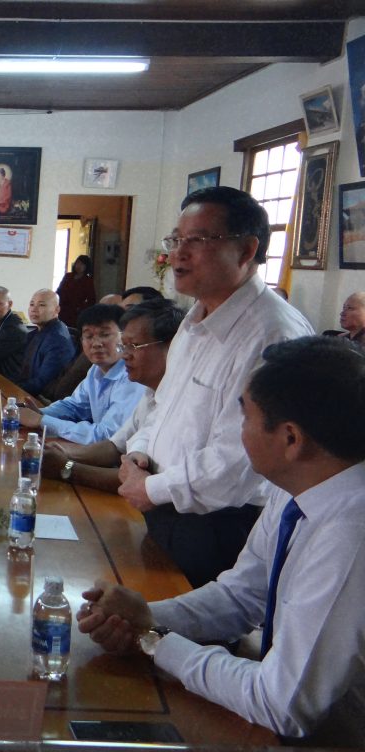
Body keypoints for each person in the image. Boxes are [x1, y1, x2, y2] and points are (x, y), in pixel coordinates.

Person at [78, 337, 365, 745]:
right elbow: (241, 596)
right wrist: (141, 617)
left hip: (341, 742)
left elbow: (280, 703)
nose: (237, 433)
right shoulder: (296, 488)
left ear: (290, 439)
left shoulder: (349, 533)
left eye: (244, 417)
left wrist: (155, 641)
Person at [119, 186, 313, 587]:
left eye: (197, 240)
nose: (178, 254)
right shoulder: (193, 322)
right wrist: (138, 453)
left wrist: (152, 487)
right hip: (161, 502)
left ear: (246, 251)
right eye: (176, 240)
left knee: (184, 619)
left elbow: (239, 461)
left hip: (216, 526)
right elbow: (162, 407)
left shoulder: (272, 335)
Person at [41, 299, 184, 491]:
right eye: (124, 346)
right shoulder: (150, 392)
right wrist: (65, 452)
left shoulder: (182, 401)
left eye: (134, 346)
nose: (125, 355)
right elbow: (115, 446)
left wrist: (66, 467)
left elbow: (137, 478)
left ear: (172, 346)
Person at [20, 303, 145, 445]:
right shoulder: (96, 370)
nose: (96, 343)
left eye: (105, 335)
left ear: (124, 338)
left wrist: (41, 420)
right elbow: (74, 406)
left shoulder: (132, 377)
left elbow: (106, 436)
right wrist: (41, 413)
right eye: (89, 336)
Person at [17, 289, 76, 396]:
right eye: (32, 304)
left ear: (56, 310)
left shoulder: (57, 340)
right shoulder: (34, 334)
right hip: (27, 390)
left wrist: (12, 388)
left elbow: (42, 383)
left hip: (42, 399)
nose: (34, 309)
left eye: (42, 305)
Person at [56, 254, 97, 327]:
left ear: (86, 267)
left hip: (75, 313)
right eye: (77, 263)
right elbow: (59, 290)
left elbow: (92, 300)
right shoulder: (68, 276)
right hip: (62, 309)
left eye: (82, 264)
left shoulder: (88, 281)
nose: (79, 266)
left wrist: (80, 308)